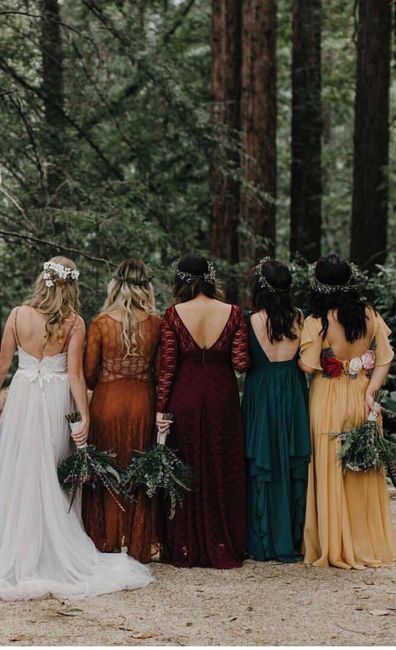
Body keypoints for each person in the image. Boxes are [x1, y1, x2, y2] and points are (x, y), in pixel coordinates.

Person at [0, 256, 152, 601]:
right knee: (52, 474)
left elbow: (3, 365)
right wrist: (84, 417)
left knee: (20, 472)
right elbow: (74, 376)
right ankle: (48, 551)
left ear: (43, 279)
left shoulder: (17, 315)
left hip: (23, 396)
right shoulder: (74, 322)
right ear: (72, 285)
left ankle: (20, 552)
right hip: (55, 401)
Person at [299, 254, 395, 569]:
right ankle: (365, 539)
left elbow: (309, 365)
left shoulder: (317, 320)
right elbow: (384, 358)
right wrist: (370, 391)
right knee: (362, 469)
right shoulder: (370, 315)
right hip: (360, 395)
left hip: (327, 395)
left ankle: (335, 543)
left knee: (330, 467)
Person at [156, 254, 250, 568]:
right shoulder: (234, 312)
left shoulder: (173, 314)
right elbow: (240, 363)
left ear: (181, 281)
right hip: (222, 396)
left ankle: (185, 543)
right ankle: (223, 539)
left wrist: (160, 409)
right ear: (211, 279)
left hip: (184, 394)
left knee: (186, 464)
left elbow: (167, 367)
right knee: (221, 464)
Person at [83, 260, 161, 562]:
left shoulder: (101, 323)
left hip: (107, 402)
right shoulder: (156, 324)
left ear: (115, 284)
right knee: (137, 471)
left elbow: (89, 374)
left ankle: (107, 541)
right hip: (142, 402)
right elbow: (157, 372)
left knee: (108, 471)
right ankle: (137, 543)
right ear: (147, 287)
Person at [242, 257, 311, 563]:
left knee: (264, 459)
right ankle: (292, 537)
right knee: (291, 458)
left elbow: (242, 362)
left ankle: (263, 538)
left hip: (262, 390)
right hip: (292, 389)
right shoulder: (300, 318)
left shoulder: (251, 319)